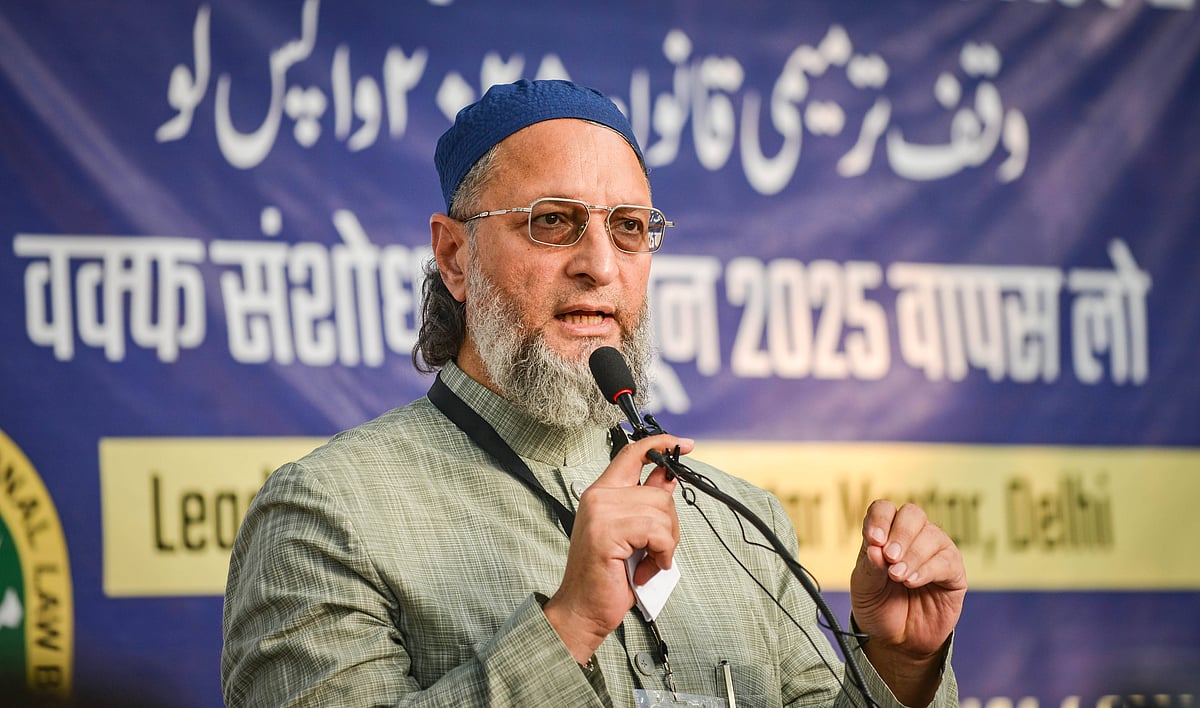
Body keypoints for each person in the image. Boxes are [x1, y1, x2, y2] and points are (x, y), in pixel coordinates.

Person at [221, 79, 966, 707]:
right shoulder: (324, 516)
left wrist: (900, 668)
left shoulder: (742, 527)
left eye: (631, 228)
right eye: (553, 222)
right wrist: (566, 626)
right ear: (453, 256)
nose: (600, 266)